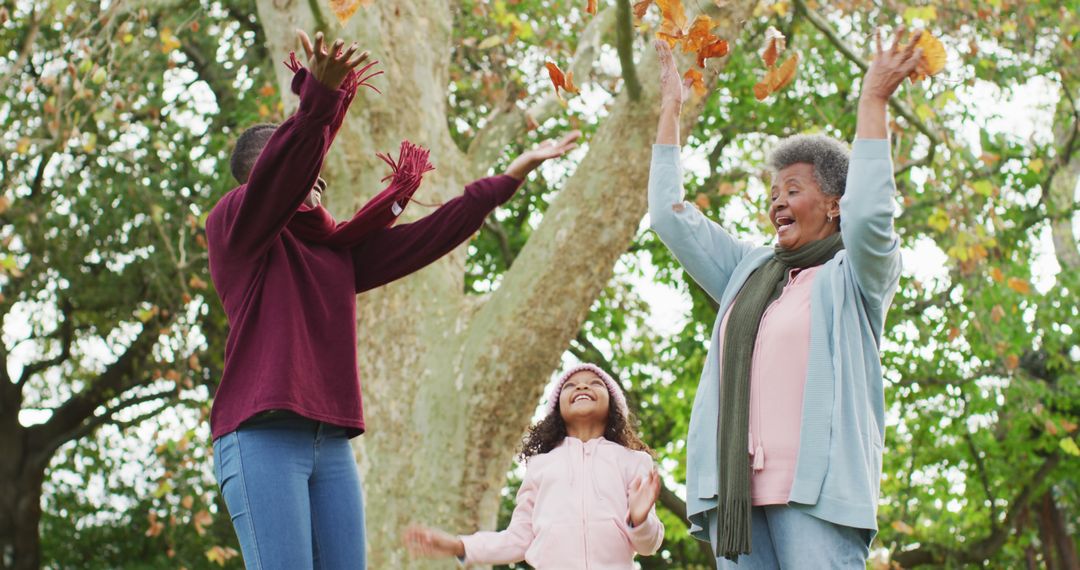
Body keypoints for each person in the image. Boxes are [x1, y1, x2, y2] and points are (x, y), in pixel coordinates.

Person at [206, 29, 580, 569]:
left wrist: (506, 180)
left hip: (330, 444)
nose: (315, 179)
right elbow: (278, 181)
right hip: (261, 437)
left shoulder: (337, 254)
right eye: (298, 167)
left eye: (317, 174)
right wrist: (319, 104)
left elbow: (424, 239)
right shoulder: (237, 226)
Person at [648, 27, 920, 568]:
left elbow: (871, 214)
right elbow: (669, 219)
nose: (778, 202)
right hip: (738, 499)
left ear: (834, 204)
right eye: (773, 193)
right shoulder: (750, 270)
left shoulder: (856, 273)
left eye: (793, 190)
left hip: (817, 498)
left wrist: (873, 101)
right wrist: (671, 111)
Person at [402, 364, 665, 569]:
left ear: (614, 407)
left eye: (595, 383)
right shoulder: (541, 467)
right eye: (570, 385)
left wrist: (639, 519)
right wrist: (459, 545)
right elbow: (517, 540)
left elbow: (648, 545)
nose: (582, 387)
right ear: (557, 410)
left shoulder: (633, 462)